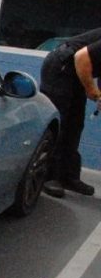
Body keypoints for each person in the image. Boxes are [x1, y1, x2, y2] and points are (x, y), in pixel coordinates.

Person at [40, 29, 101, 197]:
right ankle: (48, 177)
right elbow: (82, 57)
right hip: (60, 66)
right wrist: (92, 90)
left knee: (75, 125)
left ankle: (68, 177)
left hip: (75, 71)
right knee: (61, 123)